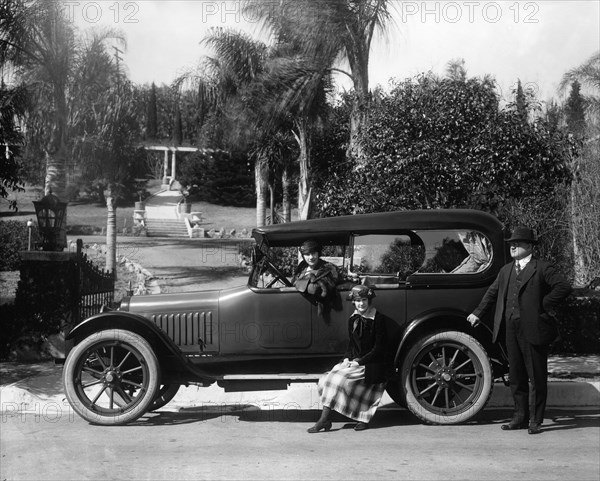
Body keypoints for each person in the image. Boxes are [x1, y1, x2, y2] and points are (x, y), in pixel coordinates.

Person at [467, 226, 571, 435]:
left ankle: (535, 420)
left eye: (518, 243)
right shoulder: (506, 270)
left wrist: (544, 304)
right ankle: (520, 417)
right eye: (511, 243)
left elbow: (564, 287)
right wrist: (478, 313)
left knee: (536, 376)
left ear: (530, 246)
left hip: (534, 328)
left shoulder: (542, 268)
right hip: (510, 328)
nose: (513, 246)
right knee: (516, 375)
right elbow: (492, 293)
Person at [307, 285, 388, 433]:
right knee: (326, 378)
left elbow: (379, 349)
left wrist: (358, 362)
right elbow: (352, 345)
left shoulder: (378, 319)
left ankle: (326, 419)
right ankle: (327, 419)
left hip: (371, 364)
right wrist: (346, 359)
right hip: (355, 361)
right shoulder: (353, 319)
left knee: (339, 380)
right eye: (358, 301)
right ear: (353, 302)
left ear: (369, 301)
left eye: (364, 300)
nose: (361, 304)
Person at [292, 239, 339, 314]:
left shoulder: (329, 268)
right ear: (303, 255)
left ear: (318, 253)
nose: (311, 257)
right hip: (299, 307)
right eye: (307, 254)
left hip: (321, 309)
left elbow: (321, 288)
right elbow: (293, 282)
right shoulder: (302, 266)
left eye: (313, 253)